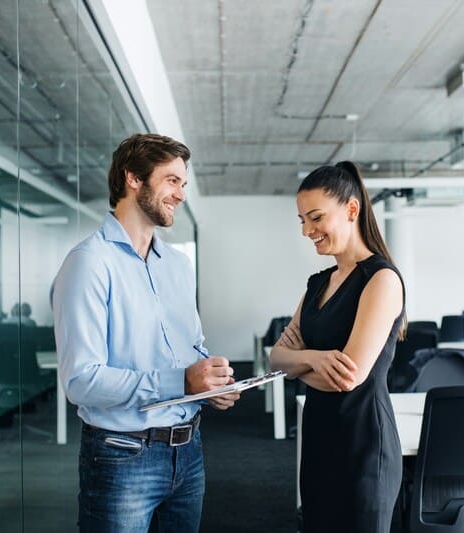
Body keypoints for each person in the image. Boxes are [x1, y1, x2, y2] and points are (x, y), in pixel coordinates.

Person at [51, 133, 240, 533]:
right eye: (172, 180)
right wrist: (182, 381)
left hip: (189, 452)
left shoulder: (176, 265)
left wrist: (210, 384)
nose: (181, 194)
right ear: (133, 178)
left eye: (183, 184)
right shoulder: (89, 263)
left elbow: (192, 348)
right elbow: (81, 381)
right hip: (122, 456)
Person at [270, 161, 406, 533]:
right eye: (301, 220)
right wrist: (314, 358)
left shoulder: (381, 280)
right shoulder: (318, 283)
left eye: (315, 217)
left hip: (363, 444)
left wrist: (295, 366)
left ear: (350, 210)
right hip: (317, 438)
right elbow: (275, 358)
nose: (306, 230)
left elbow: (348, 377)